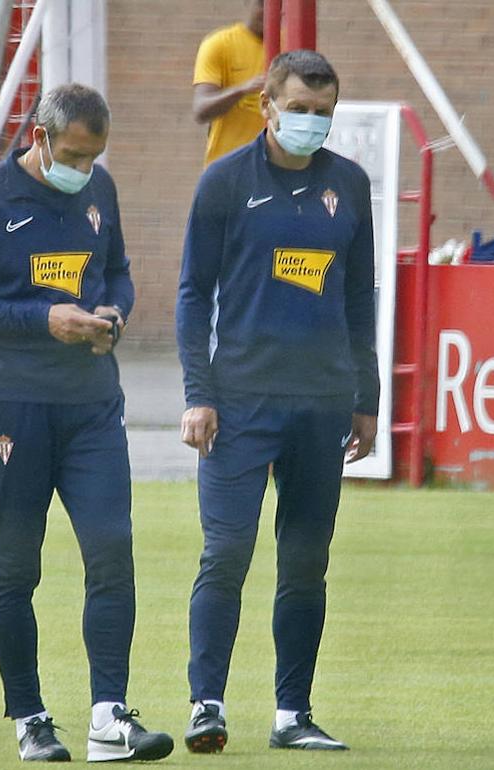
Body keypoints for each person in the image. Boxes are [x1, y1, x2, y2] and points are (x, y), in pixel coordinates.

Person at [0, 83, 173, 764]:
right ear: (39, 137)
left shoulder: (100, 192)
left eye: (94, 156)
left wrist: (114, 314)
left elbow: (118, 274)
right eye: (73, 154)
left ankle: (108, 719)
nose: (84, 167)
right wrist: (44, 319)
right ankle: (30, 719)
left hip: (94, 406)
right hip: (13, 407)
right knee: (14, 569)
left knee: (111, 553)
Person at [176, 49, 378, 754]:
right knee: (226, 553)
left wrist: (367, 399)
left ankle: (293, 714)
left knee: (304, 562)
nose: (311, 123)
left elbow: (360, 297)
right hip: (239, 403)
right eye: (299, 109)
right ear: (266, 106)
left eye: (323, 113)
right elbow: (192, 293)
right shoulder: (224, 184)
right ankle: (208, 705)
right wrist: (198, 395)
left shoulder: (349, 186)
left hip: (322, 406)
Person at [192, 0, 267, 166]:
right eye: (262, 3)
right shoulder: (219, 44)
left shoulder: (289, 46)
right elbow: (201, 109)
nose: (269, 11)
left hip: (270, 171)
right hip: (226, 168)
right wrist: (242, 90)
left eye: (278, 5)